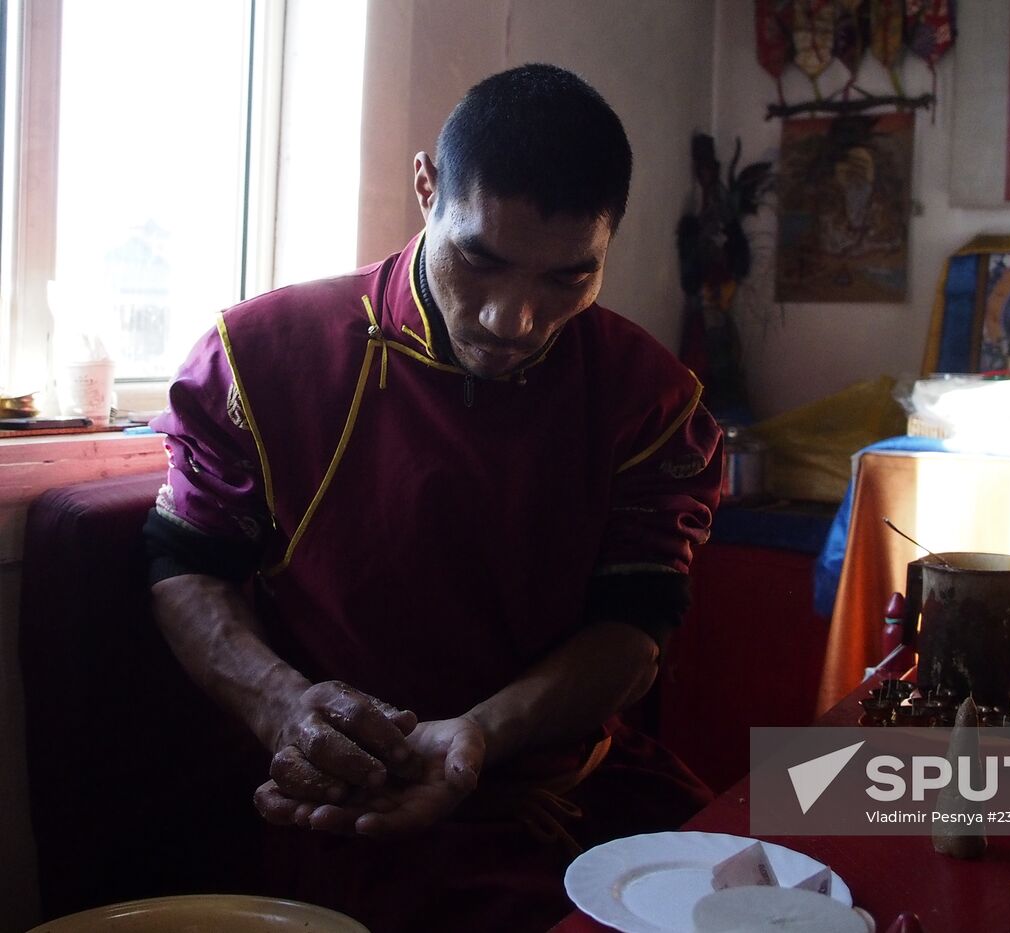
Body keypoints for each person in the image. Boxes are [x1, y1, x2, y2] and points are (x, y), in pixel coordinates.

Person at [144, 64, 723, 932]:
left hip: (566, 784)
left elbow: (636, 625)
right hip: (348, 799)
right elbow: (188, 565)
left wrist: (481, 732)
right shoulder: (263, 357)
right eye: (479, 259)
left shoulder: (648, 396)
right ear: (427, 188)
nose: (511, 320)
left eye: (567, 278)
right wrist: (284, 707)